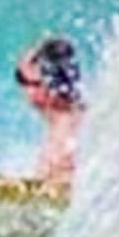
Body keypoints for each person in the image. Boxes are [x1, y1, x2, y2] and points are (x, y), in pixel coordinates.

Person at [14, 37, 82, 191]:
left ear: (48, 85)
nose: (22, 88)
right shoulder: (73, 119)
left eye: (22, 78)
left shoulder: (65, 138)